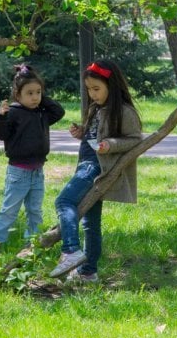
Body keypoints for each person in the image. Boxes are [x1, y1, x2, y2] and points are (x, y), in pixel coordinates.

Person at [49, 59, 142, 283]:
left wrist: (111, 144)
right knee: (90, 223)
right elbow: (95, 136)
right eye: (89, 89)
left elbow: (135, 139)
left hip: (97, 167)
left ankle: (71, 251)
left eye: (97, 89)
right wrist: (82, 132)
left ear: (112, 85)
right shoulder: (97, 108)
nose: (92, 94)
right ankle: (88, 272)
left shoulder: (124, 111)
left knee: (64, 201)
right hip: (87, 163)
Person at [0, 64, 65, 249]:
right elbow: (1, 134)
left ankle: (33, 244)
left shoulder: (42, 113)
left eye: (38, 92)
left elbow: (59, 112)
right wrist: (1, 117)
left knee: (35, 211)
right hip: (18, 173)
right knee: (9, 210)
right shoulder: (13, 113)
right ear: (17, 94)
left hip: (38, 172)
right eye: (29, 93)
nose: (35, 97)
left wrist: (42, 100)